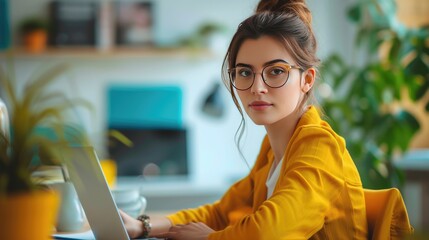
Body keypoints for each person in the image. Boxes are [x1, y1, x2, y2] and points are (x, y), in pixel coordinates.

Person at [120, 0, 368, 239]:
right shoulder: (272, 150)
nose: (257, 87)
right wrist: (144, 226)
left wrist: (209, 238)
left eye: (276, 71)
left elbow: (267, 233)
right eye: (245, 72)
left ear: (307, 80)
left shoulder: (319, 147)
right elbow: (221, 213)